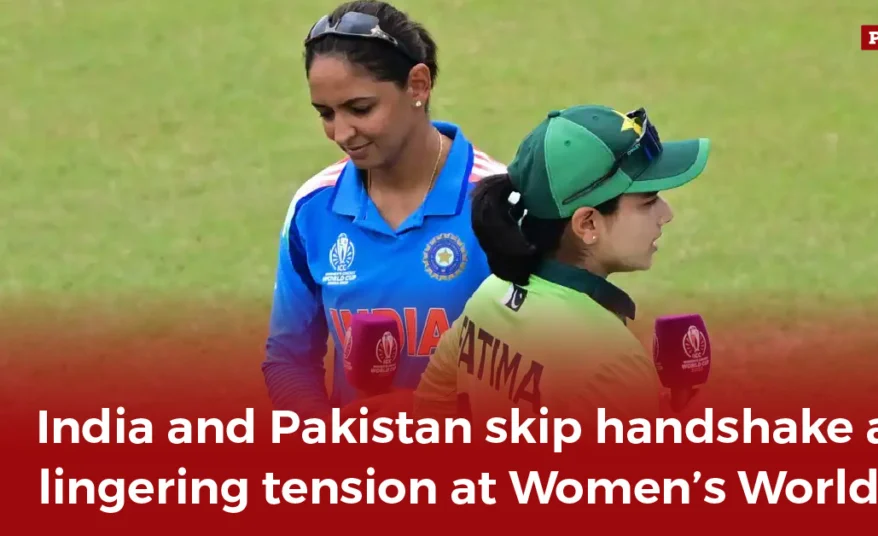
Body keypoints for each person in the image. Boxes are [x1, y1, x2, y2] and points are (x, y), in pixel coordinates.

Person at [262, 1, 506, 418]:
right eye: (325, 113)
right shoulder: (314, 208)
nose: (341, 133)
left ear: (417, 85)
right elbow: (288, 358)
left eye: (360, 109)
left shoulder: (498, 202)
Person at [413, 104, 711, 420]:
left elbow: (431, 408)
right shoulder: (610, 360)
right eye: (648, 202)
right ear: (588, 224)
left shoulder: (490, 297)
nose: (666, 214)